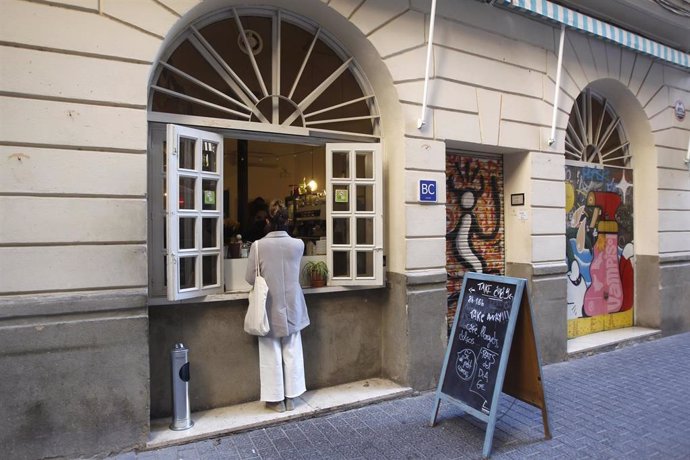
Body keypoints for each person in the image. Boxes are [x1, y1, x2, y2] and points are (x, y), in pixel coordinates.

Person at [245, 199, 310, 412]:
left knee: (270, 352)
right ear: (287, 220)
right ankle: (292, 397)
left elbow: (250, 278)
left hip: (268, 305)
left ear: (268, 220)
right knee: (293, 349)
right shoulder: (298, 244)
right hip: (293, 304)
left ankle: (275, 400)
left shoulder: (258, 246)